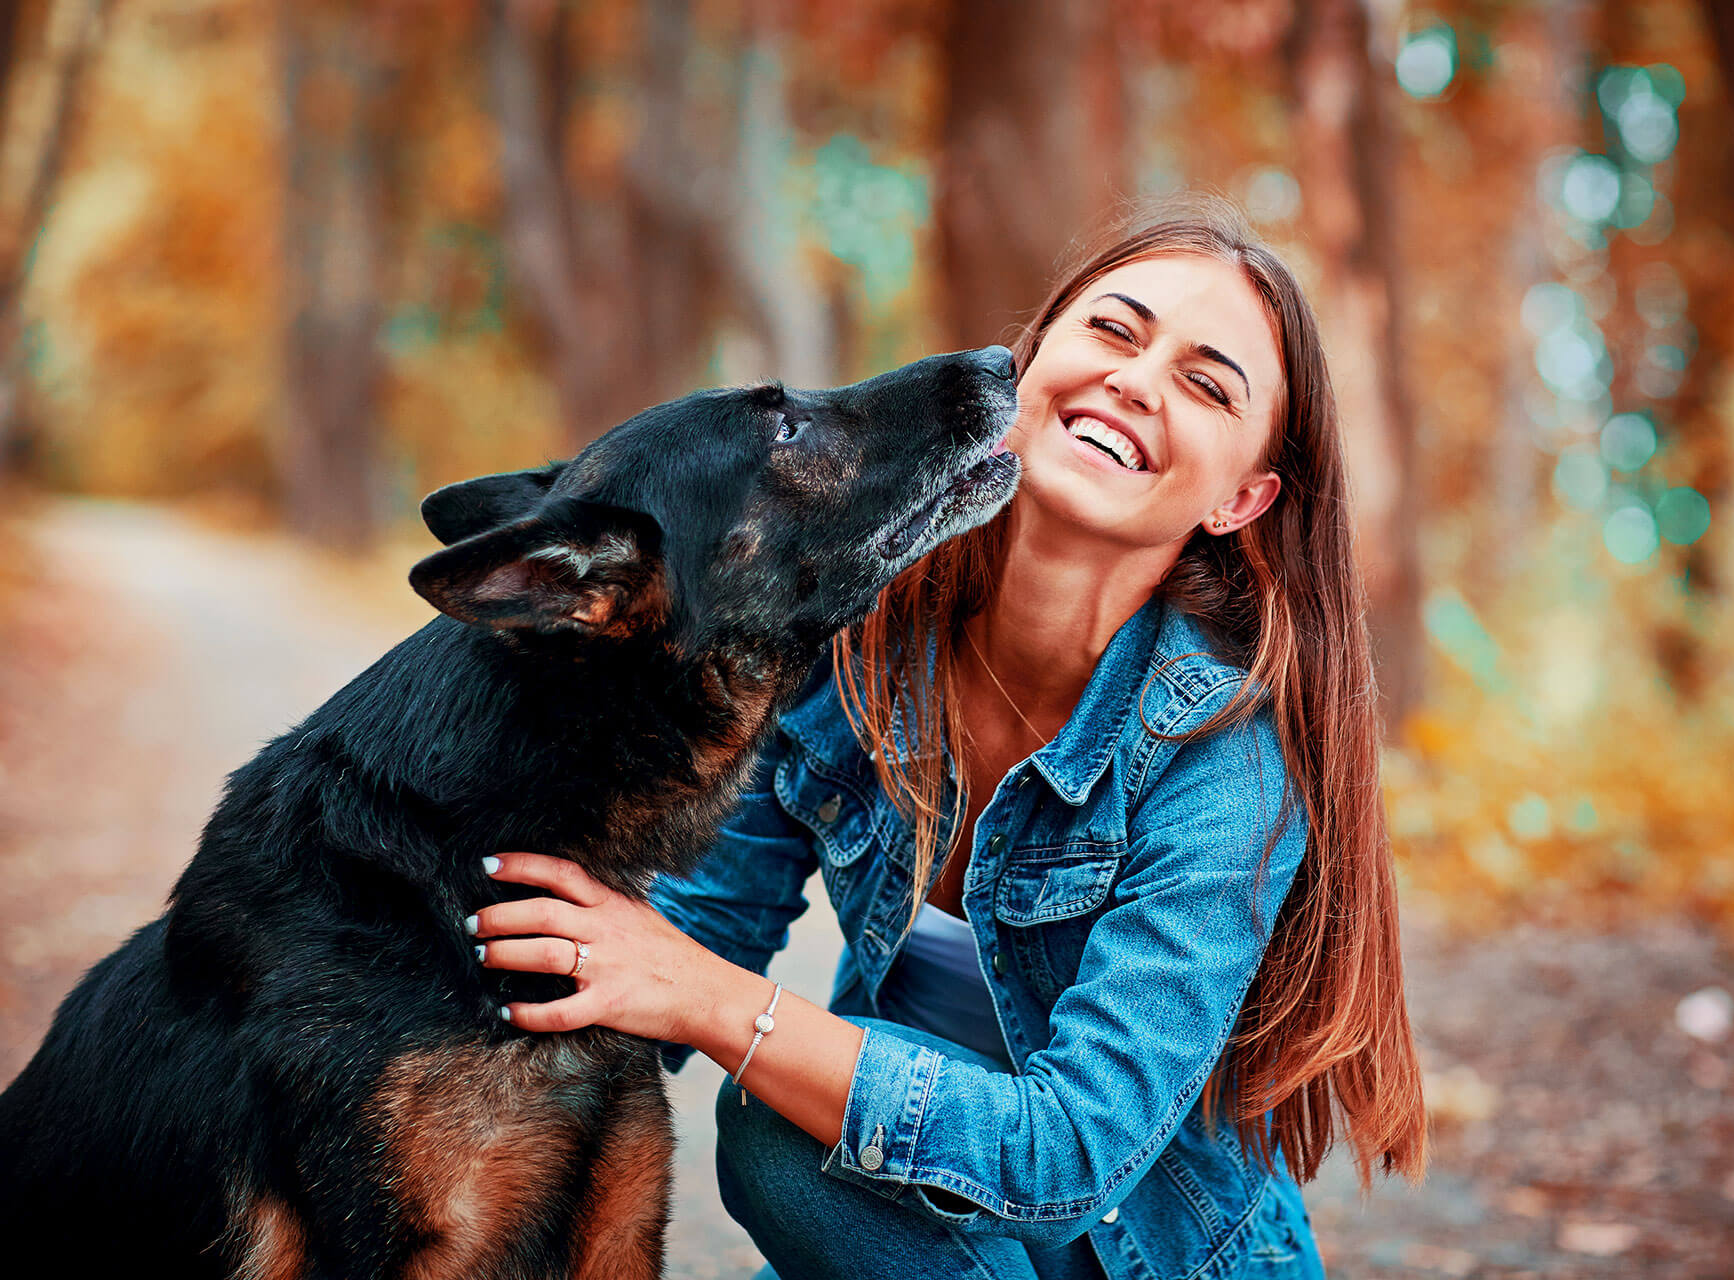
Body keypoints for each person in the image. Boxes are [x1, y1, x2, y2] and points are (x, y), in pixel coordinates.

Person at [468, 196, 1428, 1279]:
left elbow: (1065, 1155)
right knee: (804, 1146)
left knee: (785, 1135)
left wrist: (708, 995)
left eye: (1208, 383)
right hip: (903, 1239)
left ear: (1243, 498)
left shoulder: (1224, 762)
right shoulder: (858, 643)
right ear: (1030, 363)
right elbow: (692, 926)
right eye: (1113, 329)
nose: (1136, 377)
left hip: (1142, 1261)